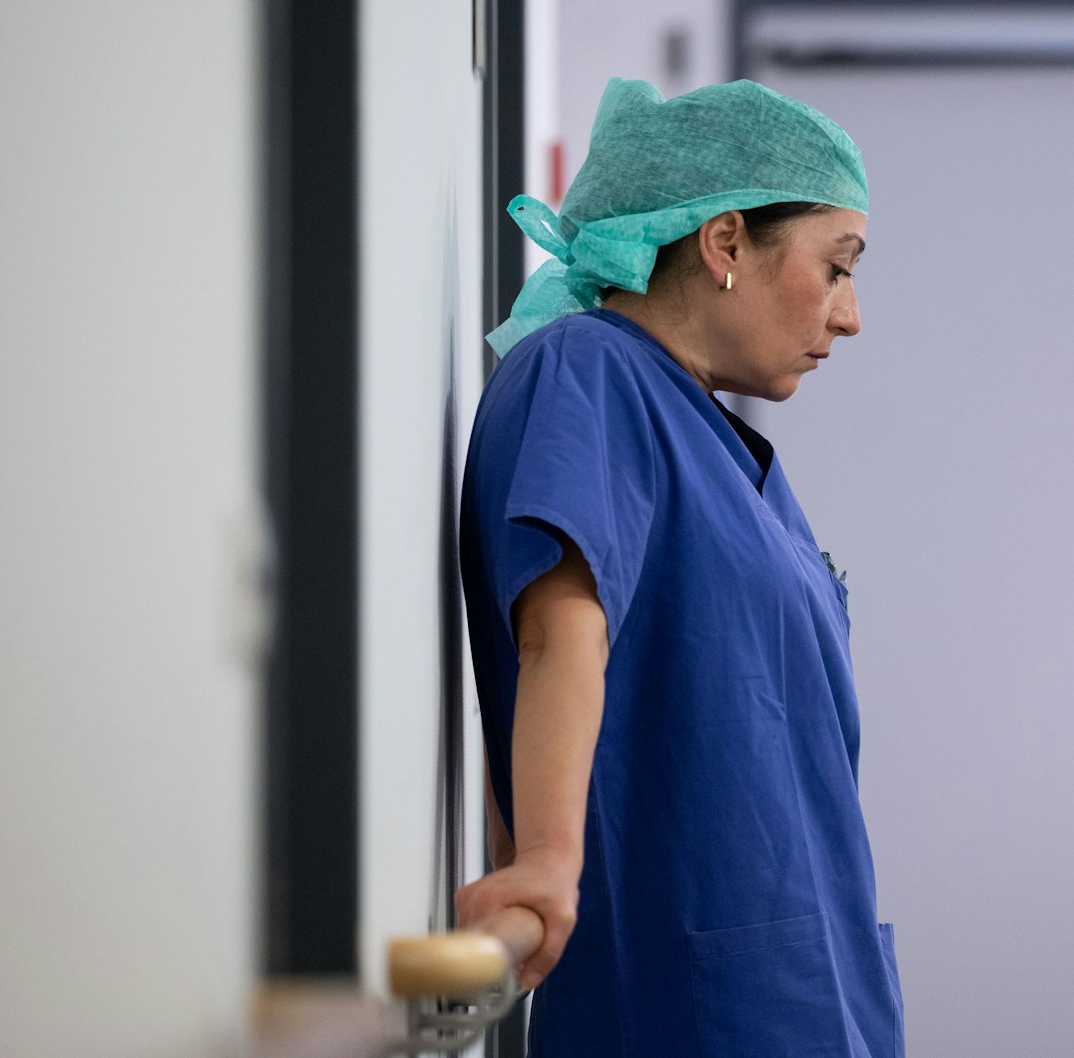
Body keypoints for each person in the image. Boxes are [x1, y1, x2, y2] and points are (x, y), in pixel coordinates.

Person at [452, 76, 903, 1058]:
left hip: (812, 991)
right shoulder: (588, 369)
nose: (851, 315)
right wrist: (544, 863)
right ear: (725, 242)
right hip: (703, 1007)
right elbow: (555, 629)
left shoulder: (717, 445)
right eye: (836, 267)